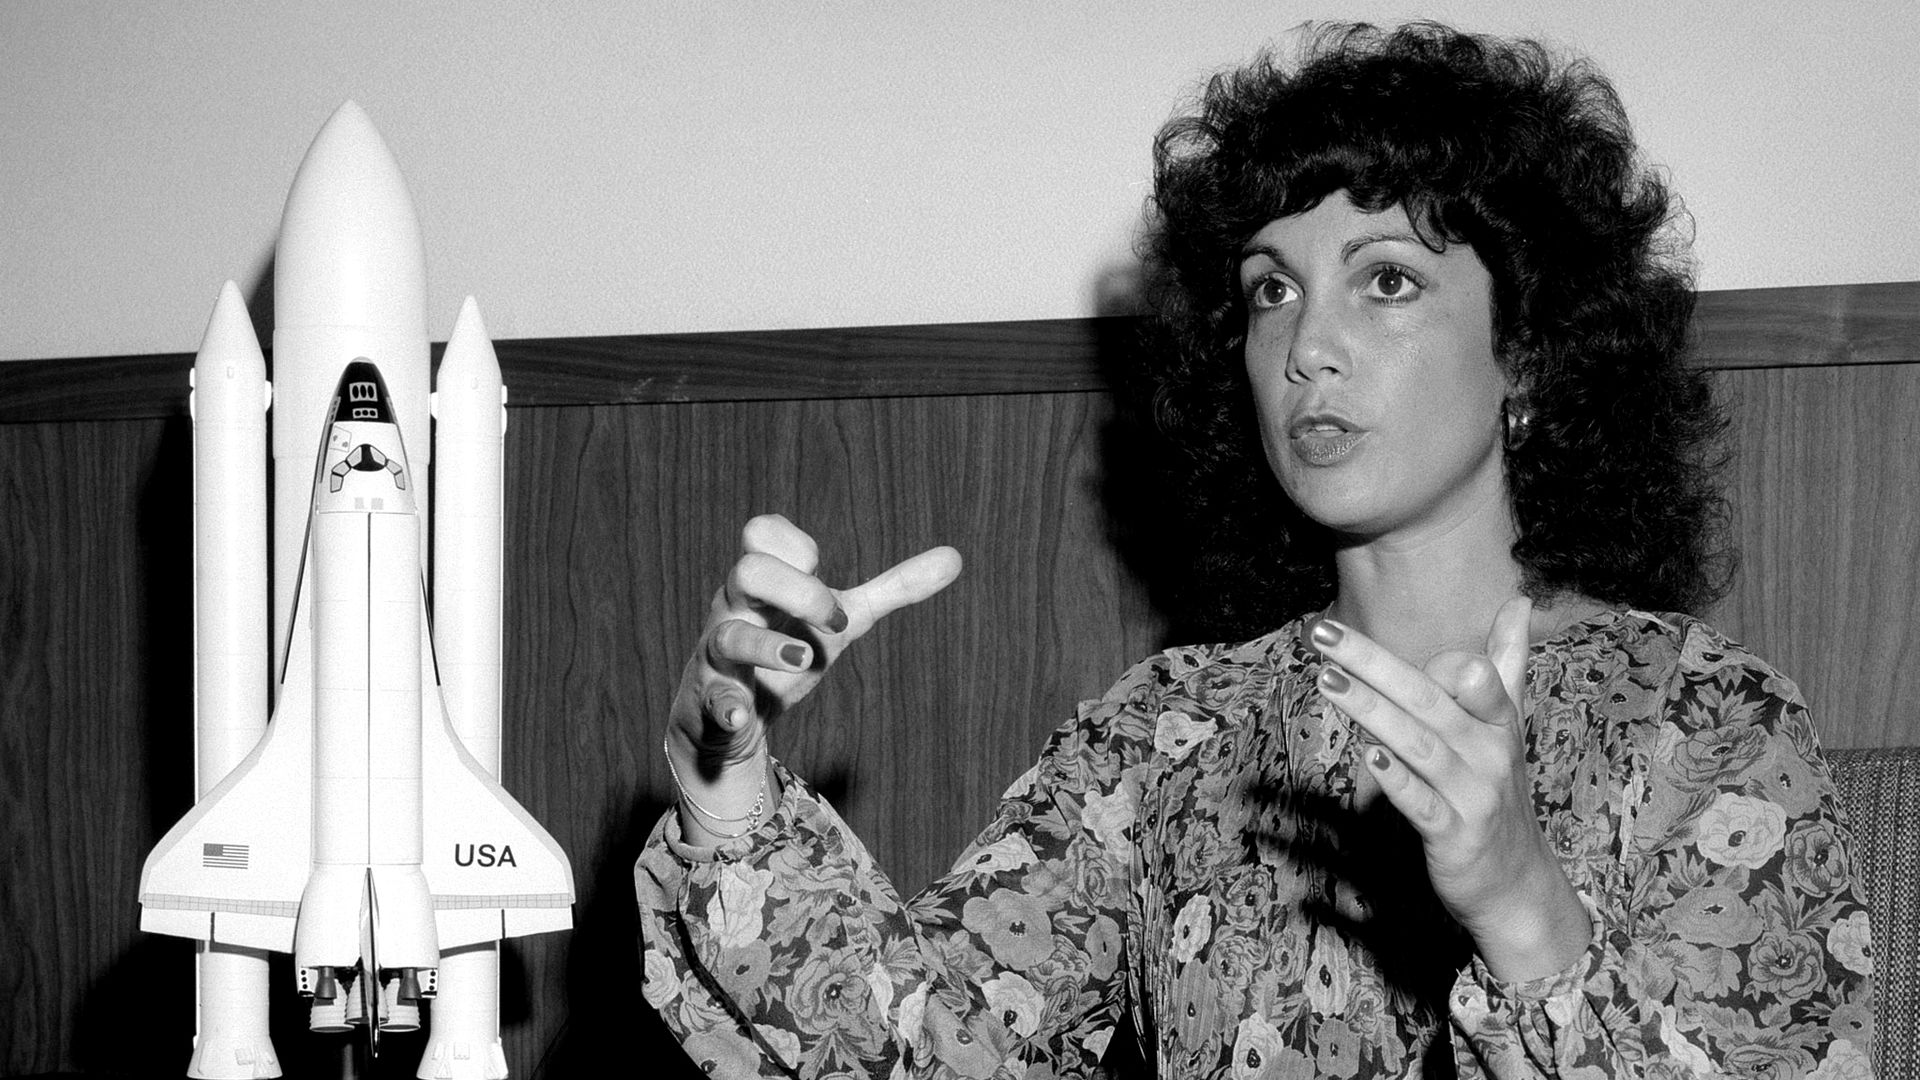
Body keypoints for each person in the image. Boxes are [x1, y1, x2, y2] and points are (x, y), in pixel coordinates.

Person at [636, 22, 1877, 1079]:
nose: (1306, 346)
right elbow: (926, 1046)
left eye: (1385, 282)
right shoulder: (1168, 731)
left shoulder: (1705, 721)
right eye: (1271, 290)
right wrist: (725, 784)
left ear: (1533, 356)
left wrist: (1519, 905)